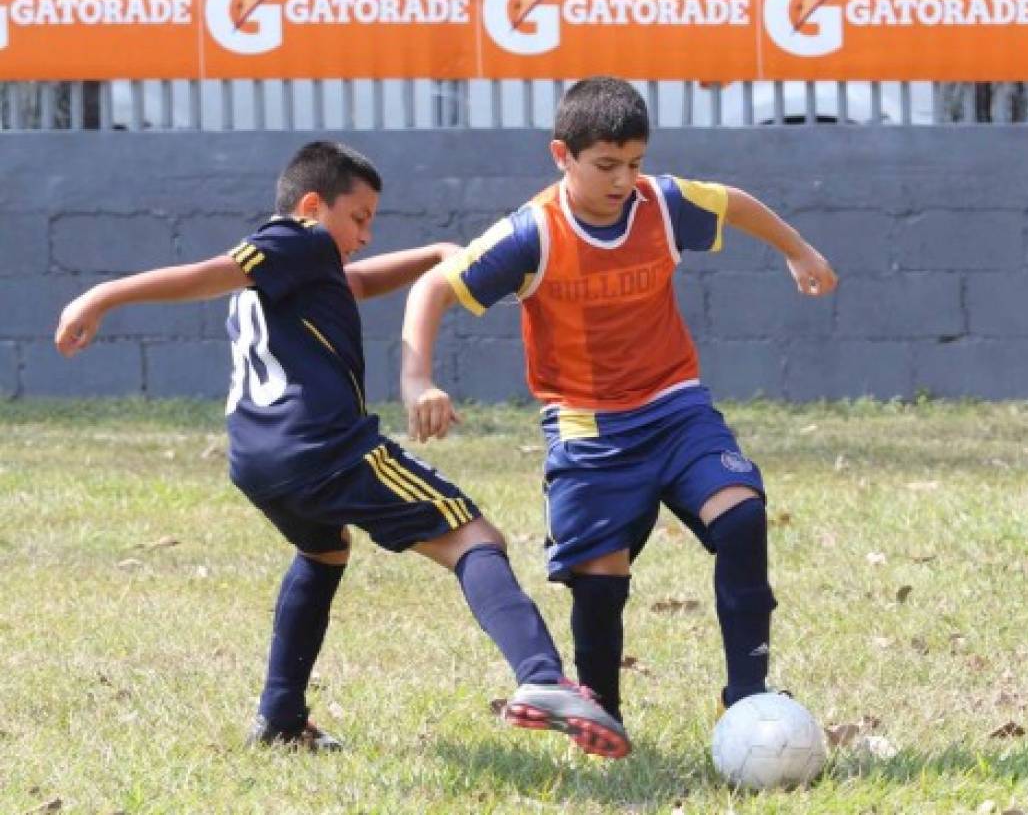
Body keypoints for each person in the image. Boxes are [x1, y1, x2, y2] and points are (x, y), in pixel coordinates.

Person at [54, 140, 630, 758]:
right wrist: (100, 297)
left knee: (323, 551)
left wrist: (434, 255)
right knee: (473, 536)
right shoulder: (292, 242)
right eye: (357, 218)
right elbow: (210, 272)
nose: (364, 235)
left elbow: (352, 282)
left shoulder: (292, 271)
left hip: (257, 462)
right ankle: (542, 678)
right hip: (324, 449)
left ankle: (279, 716)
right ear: (311, 206)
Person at [400, 76, 838, 736]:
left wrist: (797, 250)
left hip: (676, 408)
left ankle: (747, 696)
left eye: (633, 163)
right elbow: (434, 285)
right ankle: (600, 711)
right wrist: (416, 381)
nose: (621, 179)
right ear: (562, 156)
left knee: (742, 517)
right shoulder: (532, 235)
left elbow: (734, 203)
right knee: (599, 579)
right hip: (589, 429)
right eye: (605, 165)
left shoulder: (661, 204)